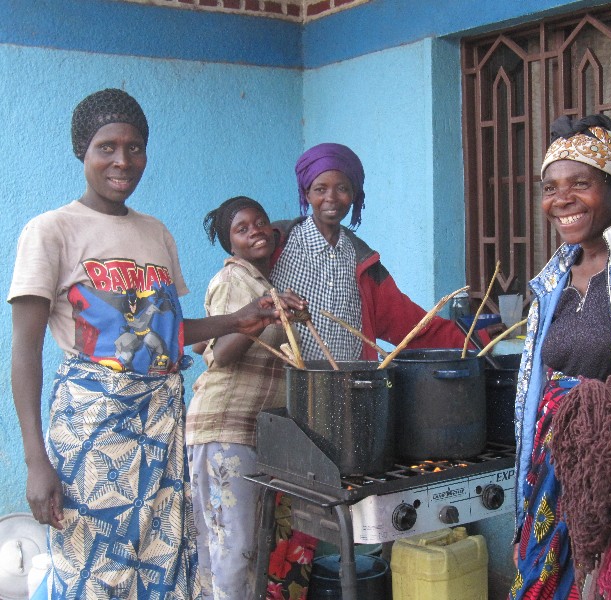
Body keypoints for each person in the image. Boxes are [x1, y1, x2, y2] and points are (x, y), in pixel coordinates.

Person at [8, 89, 299, 600]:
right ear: (83, 151)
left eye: (135, 147)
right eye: (107, 147)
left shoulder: (155, 233)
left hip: (163, 425)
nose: (123, 161)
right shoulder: (50, 231)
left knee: (164, 563)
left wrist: (239, 318)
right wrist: (37, 460)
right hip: (94, 430)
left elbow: (162, 333)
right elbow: (25, 353)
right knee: (95, 565)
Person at [509, 115, 611, 600]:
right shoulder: (553, 278)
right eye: (550, 187)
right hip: (550, 472)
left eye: (581, 183)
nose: (561, 200)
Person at [186, 196, 313, 600]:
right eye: (242, 228)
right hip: (224, 427)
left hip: (250, 433)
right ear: (231, 244)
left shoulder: (264, 285)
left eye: (260, 222)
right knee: (232, 549)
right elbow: (222, 354)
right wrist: (264, 315)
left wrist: (281, 313)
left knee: (242, 549)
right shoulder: (232, 280)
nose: (255, 230)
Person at [270, 142, 481, 361]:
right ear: (306, 194)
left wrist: (475, 339)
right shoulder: (276, 244)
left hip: (346, 389)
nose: (331, 198)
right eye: (320, 189)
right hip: (283, 388)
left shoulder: (363, 262)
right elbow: (241, 293)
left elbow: (413, 328)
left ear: (354, 195)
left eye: (342, 188)